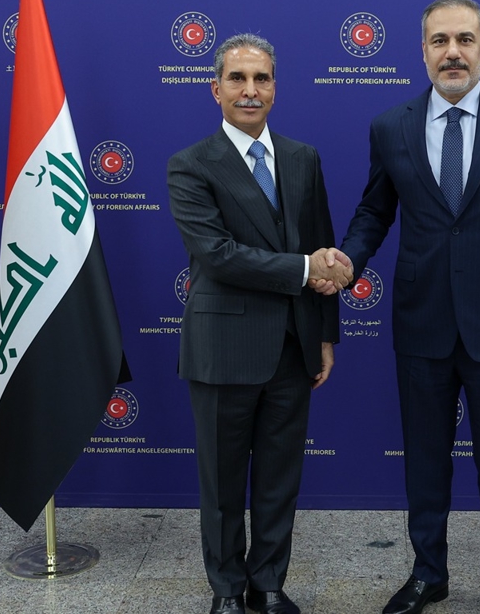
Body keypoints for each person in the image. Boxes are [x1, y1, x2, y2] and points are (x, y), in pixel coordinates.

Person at [328, 0, 480, 614]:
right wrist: (349, 260)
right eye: (440, 41)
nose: (453, 52)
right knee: (426, 461)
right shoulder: (391, 126)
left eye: (464, 40)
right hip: (422, 318)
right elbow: (375, 211)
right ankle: (427, 574)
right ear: (424, 52)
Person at [167, 33, 352, 614]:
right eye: (238, 79)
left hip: (294, 346)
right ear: (215, 88)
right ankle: (226, 591)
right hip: (223, 348)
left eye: (261, 79)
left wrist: (325, 335)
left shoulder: (302, 158)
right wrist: (305, 269)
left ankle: (268, 584)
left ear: (275, 87)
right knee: (223, 483)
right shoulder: (190, 165)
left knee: (279, 478)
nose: (250, 90)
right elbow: (218, 255)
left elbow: (322, 247)